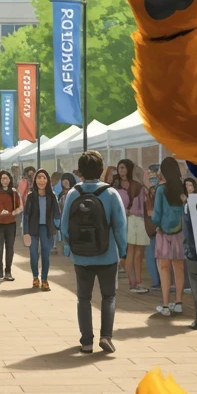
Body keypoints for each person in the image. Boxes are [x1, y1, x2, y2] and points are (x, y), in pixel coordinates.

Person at [61, 150, 127, 353]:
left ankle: (86, 341)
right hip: (107, 254)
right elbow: (119, 226)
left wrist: (67, 249)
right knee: (108, 296)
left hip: (81, 256)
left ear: (80, 171)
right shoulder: (110, 193)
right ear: (101, 169)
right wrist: (122, 250)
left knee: (84, 298)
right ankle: (106, 336)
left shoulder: (73, 193)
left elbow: (64, 225)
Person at [152, 159, 189, 316]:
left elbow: (157, 215)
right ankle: (179, 302)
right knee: (179, 268)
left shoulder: (161, 190)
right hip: (180, 233)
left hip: (163, 234)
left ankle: (166, 306)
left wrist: (155, 223)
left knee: (164, 269)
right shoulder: (182, 188)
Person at [23, 169, 61, 291]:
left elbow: (57, 213)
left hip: (47, 229)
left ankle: (44, 279)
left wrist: (57, 227)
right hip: (33, 228)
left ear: (47, 180)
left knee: (46, 255)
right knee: (34, 255)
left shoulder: (52, 196)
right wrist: (25, 232)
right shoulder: (30, 196)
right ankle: (35, 277)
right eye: (39, 177)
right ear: (35, 180)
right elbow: (26, 215)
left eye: (44, 178)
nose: (41, 180)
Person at [117, 160, 150, 294]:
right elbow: (142, 207)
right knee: (136, 253)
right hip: (138, 220)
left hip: (127, 220)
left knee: (131, 252)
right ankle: (137, 282)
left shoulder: (118, 186)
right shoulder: (138, 187)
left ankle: (133, 282)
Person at [0, 171, 22, 281]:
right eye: (2, 179)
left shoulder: (14, 192)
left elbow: (20, 207)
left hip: (10, 224)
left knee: (10, 248)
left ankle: (8, 271)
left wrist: (13, 213)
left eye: (6, 178)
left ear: (10, 179)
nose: (4, 181)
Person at [182, 177, 197, 329]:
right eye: (187, 185)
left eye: (191, 185)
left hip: (193, 249)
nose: (189, 188)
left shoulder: (190, 204)